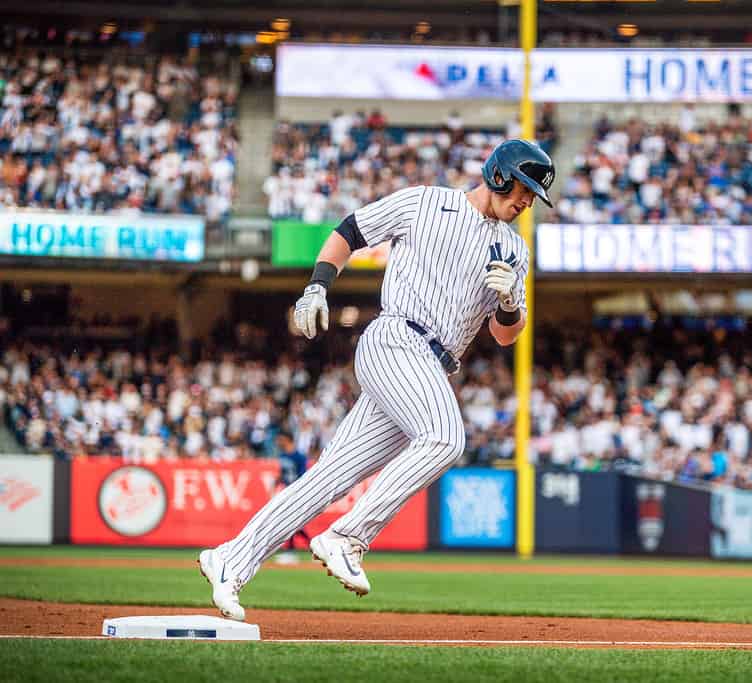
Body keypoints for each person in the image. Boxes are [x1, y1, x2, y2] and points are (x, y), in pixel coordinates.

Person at [198, 139, 556, 621]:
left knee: (329, 477)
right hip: (396, 338)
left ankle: (231, 559)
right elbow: (350, 230)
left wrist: (511, 302)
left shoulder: (515, 250)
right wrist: (316, 287)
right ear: (498, 175)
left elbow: (506, 335)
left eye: (533, 196)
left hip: (432, 364)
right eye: (524, 189)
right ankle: (348, 536)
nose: (526, 201)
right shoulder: (427, 202)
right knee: (446, 438)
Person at [271, 431, 309, 564]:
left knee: (291, 522)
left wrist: (299, 493)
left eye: (281, 439)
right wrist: (276, 484)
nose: (278, 443)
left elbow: (303, 476)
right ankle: (312, 547)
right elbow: (283, 472)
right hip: (287, 492)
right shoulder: (282, 455)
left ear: (288, 439)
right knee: (294, 524)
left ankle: (291, 551)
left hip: (297, 493)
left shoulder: (299, 457)